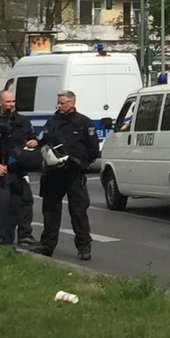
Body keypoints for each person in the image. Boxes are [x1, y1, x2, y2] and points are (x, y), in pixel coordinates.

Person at [34, 91, 99, 260]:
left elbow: (93, 150)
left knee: (78, 212)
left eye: (62, 103)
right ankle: (47, 245)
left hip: (73, 174)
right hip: (53, 174)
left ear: (71, 103)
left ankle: (84, 247)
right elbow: (43, 142)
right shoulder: (52, 121)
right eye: (58, 103)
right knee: (50, 212)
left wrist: (80, 164)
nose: (59, 106)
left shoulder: (84, 123)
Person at [0, 90, 39, 246]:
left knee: (25, 202)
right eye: (8, 102)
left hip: (19, 169)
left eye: (13, 102)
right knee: (0, 204)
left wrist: (33, 142)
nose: (11, 105)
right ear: (0, 102)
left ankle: (24, 234)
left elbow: (31, 138)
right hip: (1, 168)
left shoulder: (22, 121)